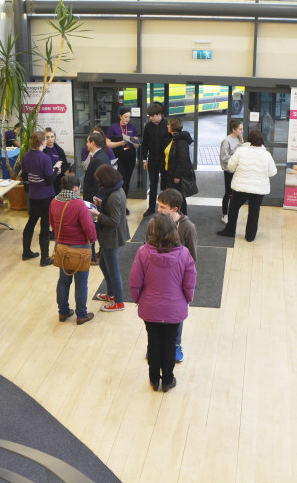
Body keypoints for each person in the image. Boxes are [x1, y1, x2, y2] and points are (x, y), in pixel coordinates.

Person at [129, 214, 196, 392]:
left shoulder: (143, 253)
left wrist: (139, 300)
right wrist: (187, 300)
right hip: (175, 309)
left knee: (153, 340)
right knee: (169, 342)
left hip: (150, 308)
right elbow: (189, 283)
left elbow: (135, 282)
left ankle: (153, 380)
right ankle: (167, 380)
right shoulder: (184, 253)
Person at [49, 174, 97, 325]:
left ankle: (63, 312)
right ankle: (81, 314)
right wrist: (93, 240)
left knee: (63, 281)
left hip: (62, 248)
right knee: (81, 283)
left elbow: (52, 223)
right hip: (79, 249)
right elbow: (89, 228)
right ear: (76, 188)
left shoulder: (54, 202)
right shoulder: (79, 204)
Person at [157, 188, 198, 362]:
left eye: (163, 207)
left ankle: (175, 345)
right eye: (158, 206)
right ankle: (156, 345)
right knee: (157, 312)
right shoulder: (157, 222)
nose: (159, 210)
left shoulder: (188, 227)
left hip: (178, 281)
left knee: (176, 315)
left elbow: (193, 258)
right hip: (159, 277)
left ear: (175, 209)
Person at [217, 130, 277, 242]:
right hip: (259, 189)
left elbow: (231, 166)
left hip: (241, 187)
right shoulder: (266, 154)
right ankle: (250, 236)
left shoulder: (241, 151)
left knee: (234, 208)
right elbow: (272, 172)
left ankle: (230, 230)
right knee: (254, 211)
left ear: (249, 139)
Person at [88, 164, 130, 312]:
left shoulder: (114, 197)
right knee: (103, 265)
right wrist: (101, 204)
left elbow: (114, 221)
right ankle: (111, 294)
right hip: (110, 237)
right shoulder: (115, 190)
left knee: (113, 270)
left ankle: (118, 302)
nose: (99, 183)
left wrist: (97, 214)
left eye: (99, 180)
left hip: (112, 238)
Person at [21, 131, 56, 266]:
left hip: (33, 195)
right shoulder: (45, 158)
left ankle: (26, 252)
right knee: (45, 225)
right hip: (46, 196)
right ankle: (45, 258)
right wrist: (56, 170)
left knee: (31, 222)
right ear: (42, 142)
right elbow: (49, 180)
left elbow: (24, 176)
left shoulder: (26, 156)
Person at [83, 131, 112, 266]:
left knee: (94, 228)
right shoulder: (100, 155)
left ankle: (95, 257)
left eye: (88, 142)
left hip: (94, 200)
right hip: (96, 198)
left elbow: (97, 183)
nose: (86, 144)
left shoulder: (99, 158)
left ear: (93, 143)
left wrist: (94, 200)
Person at [141, 103, 171, 217]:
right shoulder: (148, 126)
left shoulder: (168, 125)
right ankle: (151, 207)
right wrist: (144, 159)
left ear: (159, 114)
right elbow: (145, 144)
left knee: (165, 185)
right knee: (153, 185)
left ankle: (165, 207)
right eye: (149, 116)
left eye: (152, 116)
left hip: (165, 160)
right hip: (152, 159)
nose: (150, 118)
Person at [107, 107, 139, 202]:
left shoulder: (132, 127)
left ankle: (124, 203)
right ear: (120, 116)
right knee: (120, 180)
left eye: (129, 117)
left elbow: (137, 146)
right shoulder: (113, 127)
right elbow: (108, 144)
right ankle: (118, 202)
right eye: (125, 117)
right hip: (118, 157)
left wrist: (133, 141)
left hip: (130, 157)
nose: (127, 119)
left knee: (127, 181)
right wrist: (120, 143)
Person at [164, 117, 194, 215]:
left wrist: (177, 176)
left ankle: (182, 218)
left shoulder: (181, 141)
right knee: (175, 197)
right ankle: (176, 216)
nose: (167, 126)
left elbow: (183, 160)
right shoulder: (174, 138)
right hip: (170, 173)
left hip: (175, 175)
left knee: (179, 198)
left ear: (173, 126)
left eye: (168, 124)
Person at [220, 119, 243, 224]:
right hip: (229, 170)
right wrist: (236, 158)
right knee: (228, 193)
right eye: (240, 129)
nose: (242, 131)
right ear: (234, 130)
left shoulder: (239, 139)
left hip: (237, 170)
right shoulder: (226, 141)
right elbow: (224, 158)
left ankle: (232, 213)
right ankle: (224, 214)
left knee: (236, 192)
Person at [43, 127, 70, 197]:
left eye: (52, 137)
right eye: (47, 137)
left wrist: (60, 170)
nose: (50, 139)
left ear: (55, 137)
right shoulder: (42, 150)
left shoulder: (59, 150)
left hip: (58, 179)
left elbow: (65, 164)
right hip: (47, 180)